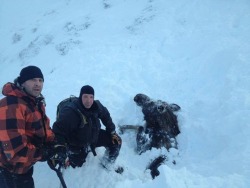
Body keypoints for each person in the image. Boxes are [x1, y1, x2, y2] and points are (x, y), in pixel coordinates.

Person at [0, 66, 55, 188]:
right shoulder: (11, 105)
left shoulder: (34, 102)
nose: (37, 84)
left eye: (40, 80)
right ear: (23, 83)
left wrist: (54, 142)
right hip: (10, 171)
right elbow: (16, 151)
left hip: (24, 167)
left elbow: (44, 128)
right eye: (33, 80)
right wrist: (43, 153)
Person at [52, 85, 122, 171]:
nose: (88, 101)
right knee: (77, 164)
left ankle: (107, 164)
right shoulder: (70, 113)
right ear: (80, 97)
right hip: (77, 144)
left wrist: (111, 131)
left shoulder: (96, 106)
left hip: (93, 136)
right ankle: (72, 157)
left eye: (91, 97)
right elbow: (57, 131)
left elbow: (105, 116)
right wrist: (60, 149)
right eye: (85, 97)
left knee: (116, 142)